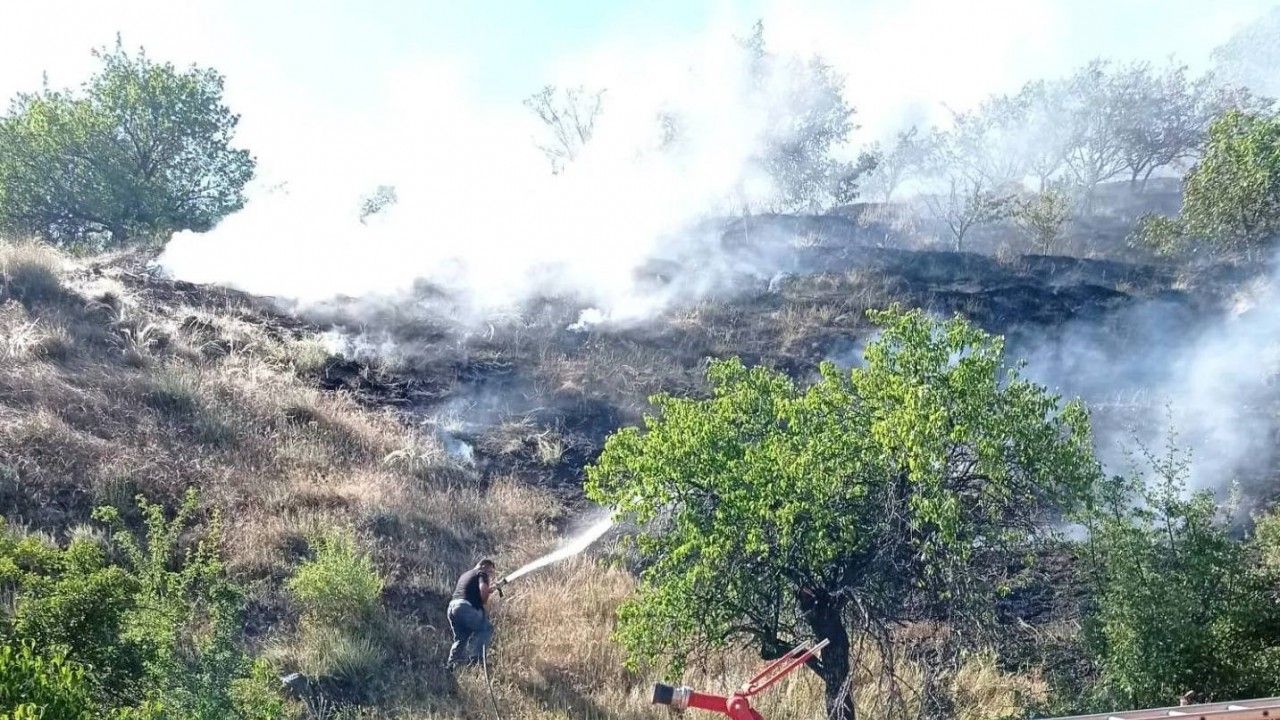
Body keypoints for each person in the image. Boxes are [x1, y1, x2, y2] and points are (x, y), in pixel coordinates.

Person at [446, 558, 500, 669]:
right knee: (486, 628)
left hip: (453, 608)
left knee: (461, 638)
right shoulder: (481, 573)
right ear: (484, 566)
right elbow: (483, 589)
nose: (489, 575)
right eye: (490, 572)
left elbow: (470, 591)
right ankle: (478, 659)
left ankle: (451, 664)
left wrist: (490, 590)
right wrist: (484, 600)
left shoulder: (466, 575)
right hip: (465, 608)